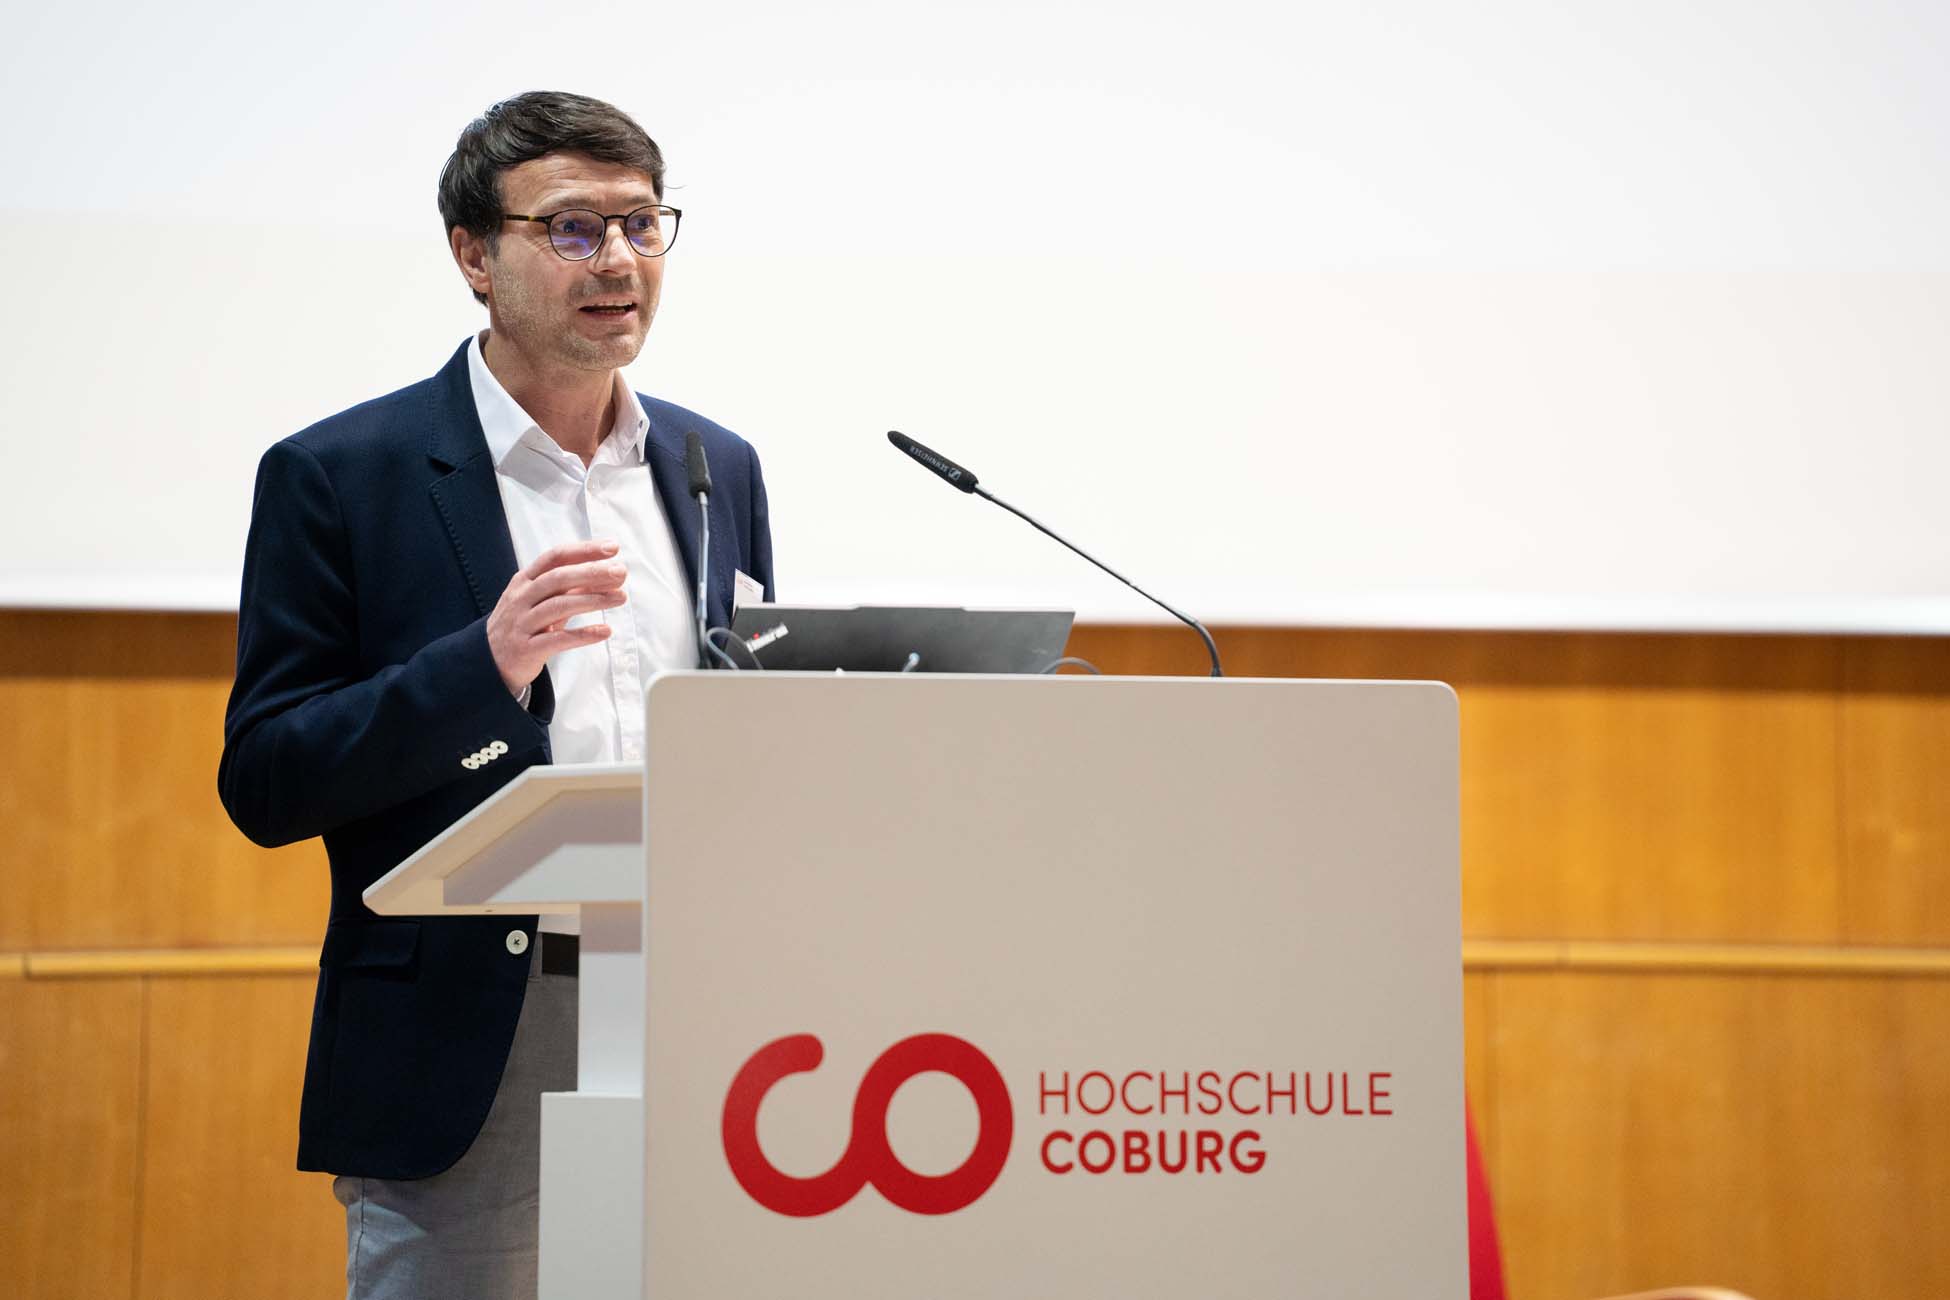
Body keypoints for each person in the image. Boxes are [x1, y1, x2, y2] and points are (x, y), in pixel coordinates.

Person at [218, 90, 774, 1300]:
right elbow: (265, 776)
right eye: (572, 229)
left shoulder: (713, 465)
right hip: (478, 1029)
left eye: (641, 223)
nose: (619, 260)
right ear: (474, 254)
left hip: (697, 1011)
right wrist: (482, 668)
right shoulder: (341, 474)